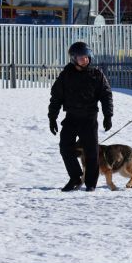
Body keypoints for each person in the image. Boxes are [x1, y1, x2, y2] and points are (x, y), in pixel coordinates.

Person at [48, 41, 113, 192]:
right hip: (71, 117)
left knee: (91, 151)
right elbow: (56, 97)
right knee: (65, 147)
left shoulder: (97, 75)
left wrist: (108, 116)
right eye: (81, 58)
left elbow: (106, 95)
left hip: (89, 118)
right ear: (73, 59)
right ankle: (75, 177)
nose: (85, 60)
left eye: (87, 57)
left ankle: (90, 183)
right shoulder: (66, 75)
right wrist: (52, 117)